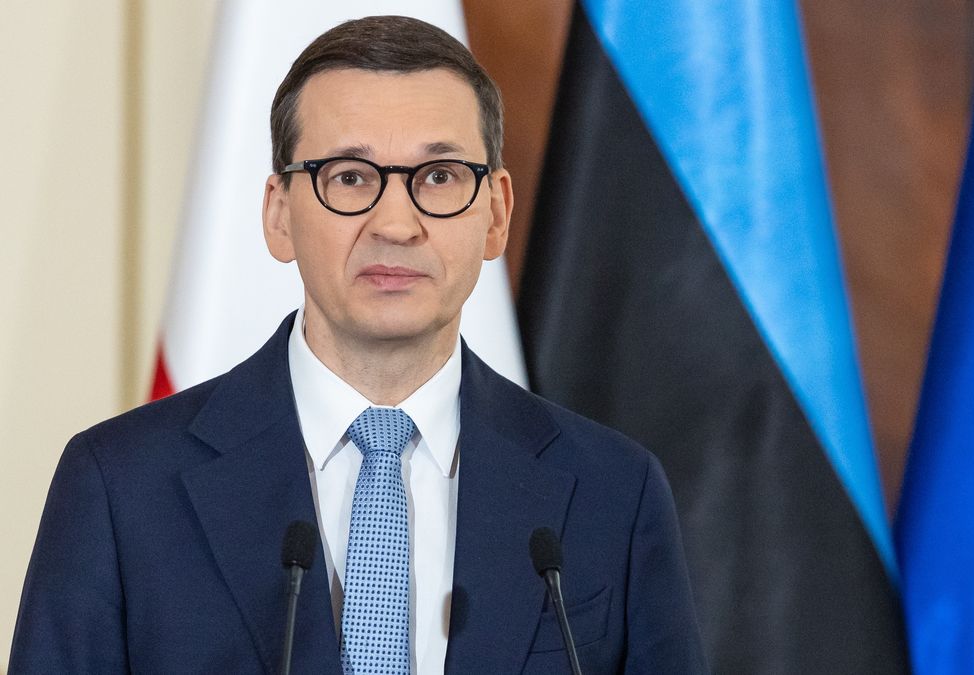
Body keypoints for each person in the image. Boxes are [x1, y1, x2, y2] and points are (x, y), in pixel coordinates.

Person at [9, 16, 706, 674]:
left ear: (495, 213)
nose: (396, 223)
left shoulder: (614, 494)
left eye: (438, 177)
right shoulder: (120, 487)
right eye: (349, 177)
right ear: (279, 214)